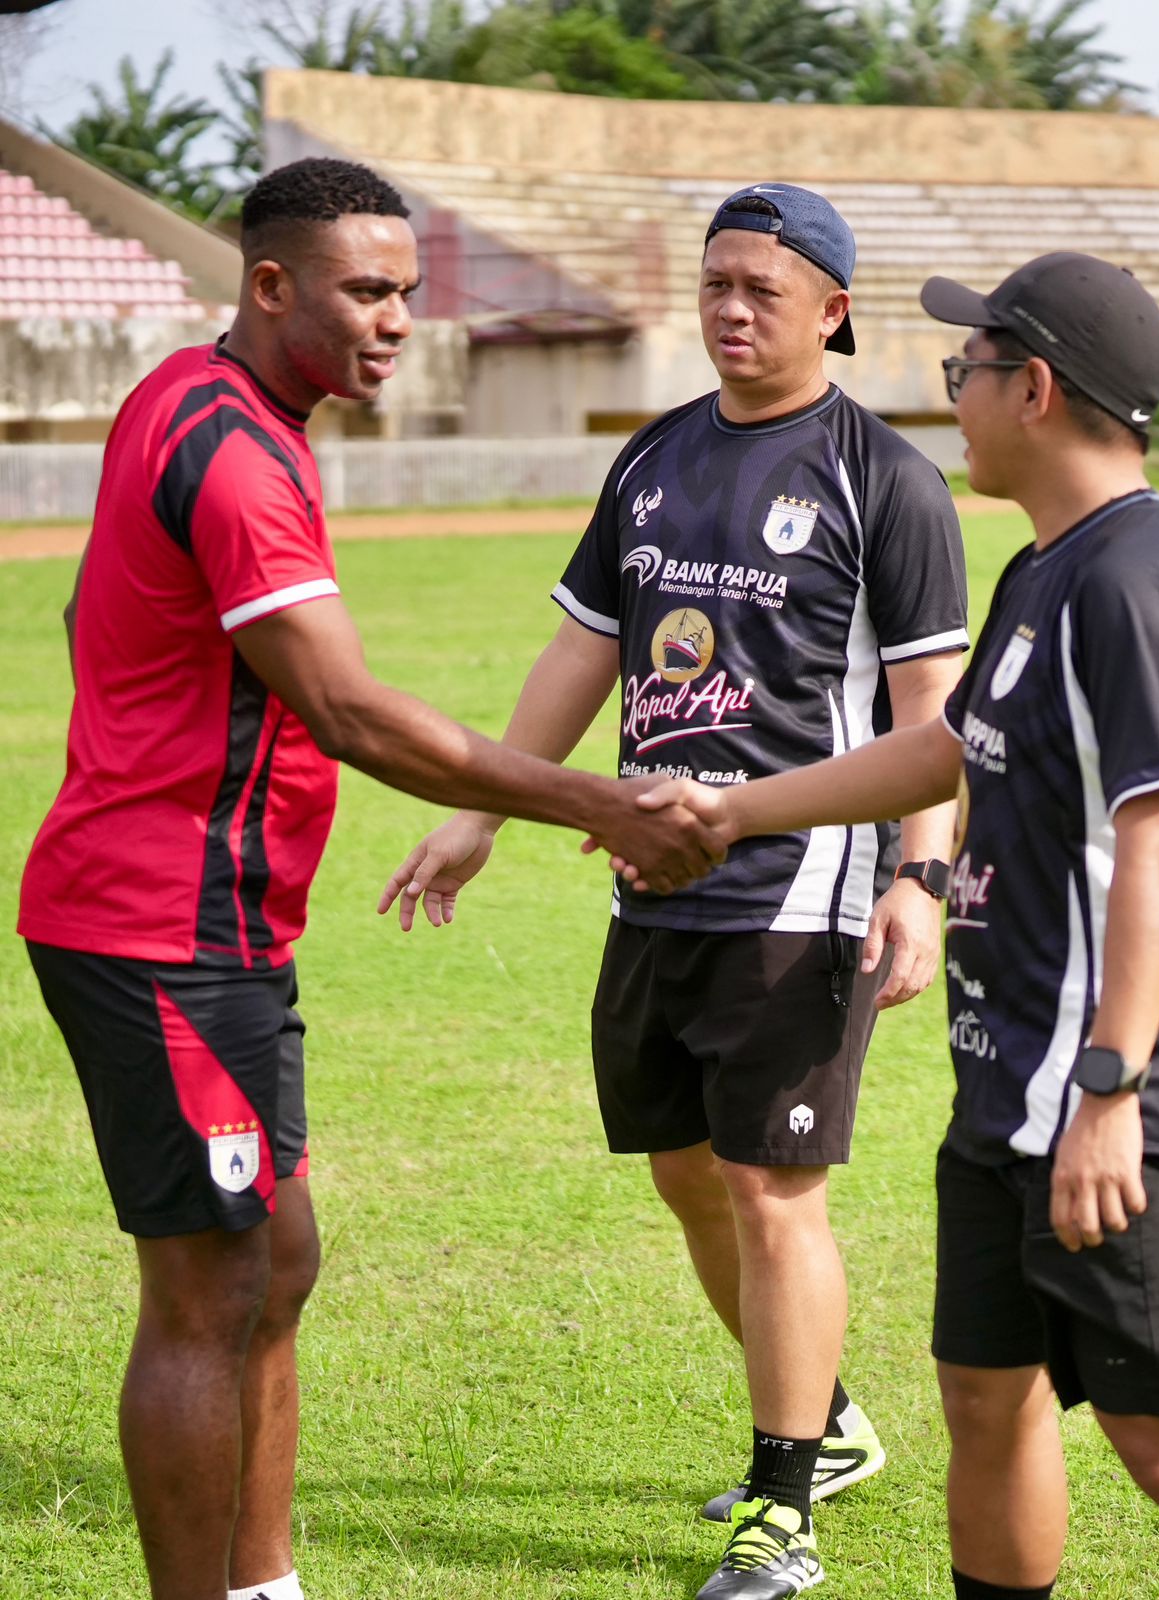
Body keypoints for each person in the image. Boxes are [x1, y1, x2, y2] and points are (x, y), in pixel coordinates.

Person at [17, 157, 721, 1600]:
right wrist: (598, 800)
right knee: (211, 1289)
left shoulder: (201, 399)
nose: (397, 319)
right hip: (157, 929)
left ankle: (265, 1582)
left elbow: (102, 603)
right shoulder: (233, 449)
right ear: (270, 284)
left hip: (213, 921)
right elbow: (350, 710)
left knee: (274, 1261)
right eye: (366, 290)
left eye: (408, 290)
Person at [621, 251, 1159, 1600]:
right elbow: (944, 756)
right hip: (1007, 1090)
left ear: (1034, 388)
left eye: (967, 371)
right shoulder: (1049, 570)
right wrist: (740, 811)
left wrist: (1112, 1086)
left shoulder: (1129, 584)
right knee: (986, 1399)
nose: (953, 397)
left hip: (1104, 1106)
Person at [381, 183, 969, 1599]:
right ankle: (821, 1423)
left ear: (832, 306)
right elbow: (589, 655)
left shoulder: (885, 478)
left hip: (804, 885)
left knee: (774, 1188)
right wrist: (484, 815)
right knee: (687, 1171)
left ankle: (784, 1511)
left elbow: (929, 707)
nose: (731, 307)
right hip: (653, 883)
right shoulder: (649, 460)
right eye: (715, 282)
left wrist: (924, 880)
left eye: (764, 287)